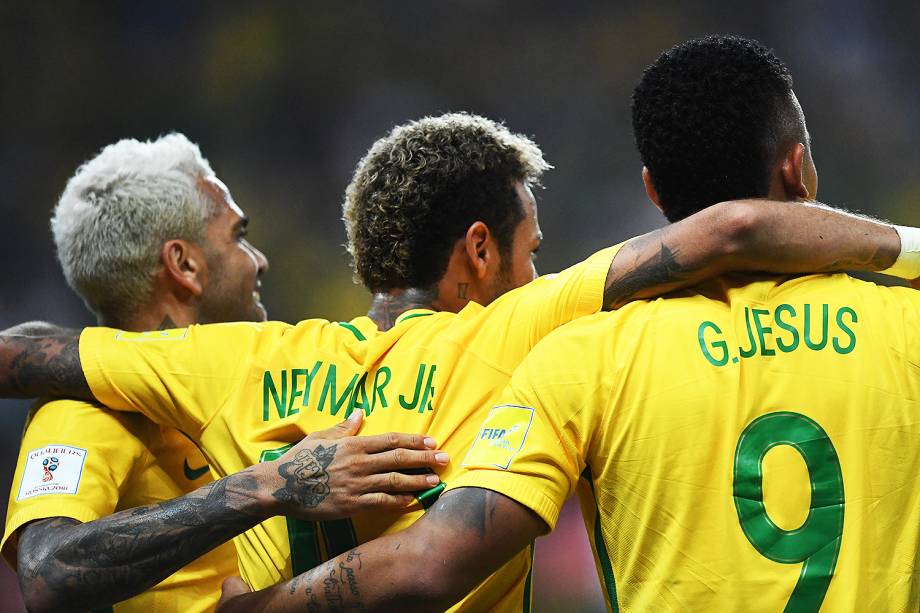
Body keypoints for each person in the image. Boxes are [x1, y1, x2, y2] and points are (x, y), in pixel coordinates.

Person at [0, 112, 913, 611]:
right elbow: (732, 229)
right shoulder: (519, 327)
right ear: (481, 252)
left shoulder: (233, 359)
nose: (540, 270)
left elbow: (27, 353)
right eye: (533, 248)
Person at [220, 37, 920, 612]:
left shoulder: (580, 357)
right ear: (798, 172)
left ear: (653, 190)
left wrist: (259, 607)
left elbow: (433, 564)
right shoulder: (908, 323)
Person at [0, 134, 445, 612]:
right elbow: (47, 573)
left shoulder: (250, 379)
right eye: (238, 236)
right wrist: (271, 484)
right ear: (184, 264)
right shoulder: (84, 410)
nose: (259, 261)